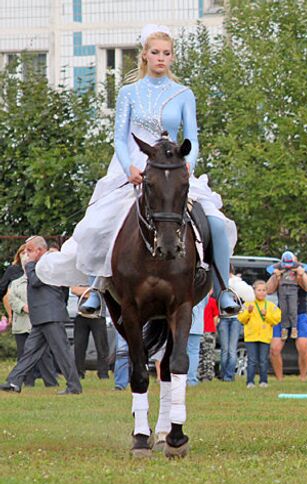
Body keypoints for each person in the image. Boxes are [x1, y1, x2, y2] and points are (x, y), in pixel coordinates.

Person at [33, 24, 239, 320]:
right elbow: (119, 136)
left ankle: (223, 292)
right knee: (100, 223)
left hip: (171, 169)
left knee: (217, 224)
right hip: (132, 167)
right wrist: (129, 166)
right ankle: (95, 288)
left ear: (172, 58)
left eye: (166, 53)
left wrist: (187, 164)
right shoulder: (129, 92)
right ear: (144, 55)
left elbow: (192, 137)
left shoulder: (183, 94)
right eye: (155, 52)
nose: (161, 58)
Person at [1, 236, 82, 394]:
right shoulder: (40, 263)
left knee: (61, 351)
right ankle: (14, 382)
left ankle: (74, 386)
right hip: (42, 315)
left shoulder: (49, 261)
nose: (26, 254)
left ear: (40, 250)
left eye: (29, 250)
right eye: (25, 251)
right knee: (30, 351)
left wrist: (29, 265)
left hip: (50, 314)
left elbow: (36, 280)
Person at [267, 253, 307, 382]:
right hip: (282, 314)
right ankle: (280, 379)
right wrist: (276, 275)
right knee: (275, 348)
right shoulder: (280, 274)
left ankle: (303, 378)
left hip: (300, 314)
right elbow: (269, 290)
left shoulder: (300, 274)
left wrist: (301, 273)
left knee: (303, 346)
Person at [7, 266, 58, 388]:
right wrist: (22, 307)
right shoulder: (16, 283)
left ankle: (51, 382)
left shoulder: (42, 281)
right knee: (24, 353)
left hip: (38, 321)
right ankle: (27, 382)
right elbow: (11, 298)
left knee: (45, 355)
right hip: (21, 323)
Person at [238, 280, 281, 388]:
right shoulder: (248, 305)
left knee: (263, 360)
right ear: (254, 291)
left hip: (264, 337)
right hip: (251, 337)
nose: (261, 293)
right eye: (259, 290)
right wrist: (248, 312)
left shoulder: (270, 306)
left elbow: (276, 320)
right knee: (252, 360)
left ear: (266, 292)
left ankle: (263, 381)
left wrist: (266, 315)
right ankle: (250, 382)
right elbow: (241, 319)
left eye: (263, 290)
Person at [71, 286, 110, 380]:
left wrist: (85, 293)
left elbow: (103, 291)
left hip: (98, 316)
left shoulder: (99, 278)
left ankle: (103, 373)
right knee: (79, 346)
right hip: (81, 315)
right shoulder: (81, 276)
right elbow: (74, 290)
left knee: (102, 347)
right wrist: (93, 293)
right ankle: (79, 373)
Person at [271, 251, 307, 341]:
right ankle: (284, 328)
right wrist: (276, 271)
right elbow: (269, 268)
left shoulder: (296, 264)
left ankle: (294, 328)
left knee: (293, 309)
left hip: (293, 288)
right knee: (283, 309)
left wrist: (299, 270)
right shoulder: (280, 265)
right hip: (282, 288)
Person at [218, 271, 247, 382]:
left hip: (233, 318)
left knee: (229, 349)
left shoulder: (233, 282)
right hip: (227, 318)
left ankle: (227, 376)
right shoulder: (236, 283)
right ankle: (226, 375)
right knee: (228, 349)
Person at [187, 295, 208, 386]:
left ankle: (179, 377)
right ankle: (191, 379)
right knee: (193, 352)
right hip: (197, 325)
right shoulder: (202, 284)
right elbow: (205, 302)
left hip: (182, 324)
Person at [199, 293, 218, 382]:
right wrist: (213, 328)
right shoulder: (212, 301)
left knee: (199, 354)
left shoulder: (197, 301)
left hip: (199, 330)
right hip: (209, 330)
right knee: (208, 354)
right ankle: (207, 375)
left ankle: (198, 373)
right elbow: (215, 317)